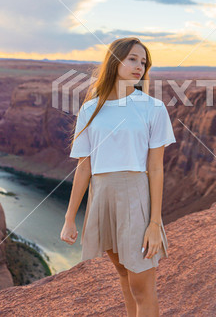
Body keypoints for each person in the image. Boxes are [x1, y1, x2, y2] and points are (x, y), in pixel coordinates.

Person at [60, 37, 176, 316]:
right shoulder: (91, 108)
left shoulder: (153, 108)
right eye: (133, 59)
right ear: (115, 60)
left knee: (142, 287)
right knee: (125, 278)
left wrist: (154, 223)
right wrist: (69, 218)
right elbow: (85, 167)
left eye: (144, 62)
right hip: (102, 197)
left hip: (135, 195)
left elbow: (157, 167)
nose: (140, 67)